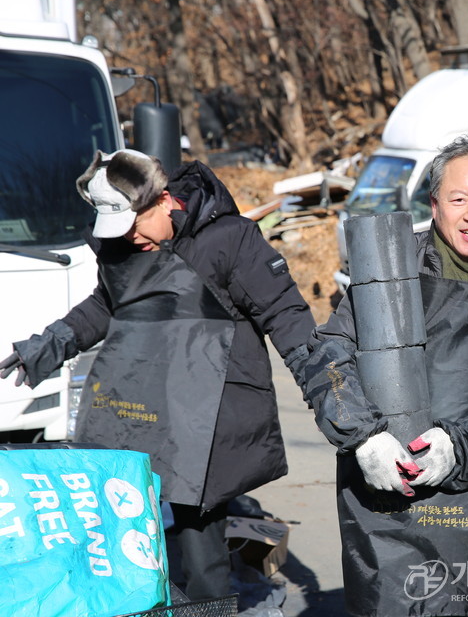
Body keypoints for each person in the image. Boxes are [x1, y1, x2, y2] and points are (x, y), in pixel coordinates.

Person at [0, 149, 315, 600]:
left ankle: (207, 611)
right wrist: (51, 343)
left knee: (199, 542)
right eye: (119, 230)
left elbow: (285, 314)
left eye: (135, 224)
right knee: (123, 523)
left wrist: (326, 384)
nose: (130, 238)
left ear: (164, 200)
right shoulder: (124, 245)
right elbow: (108, 304)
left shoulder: (228, 240)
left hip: (209, 414)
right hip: (140, 400)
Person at [297, 135, 468, 616]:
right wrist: (362, 436)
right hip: (386, 504)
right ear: (434, 203)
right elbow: (329, 354)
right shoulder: (387, 268)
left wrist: (459, 445)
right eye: (459, 199)